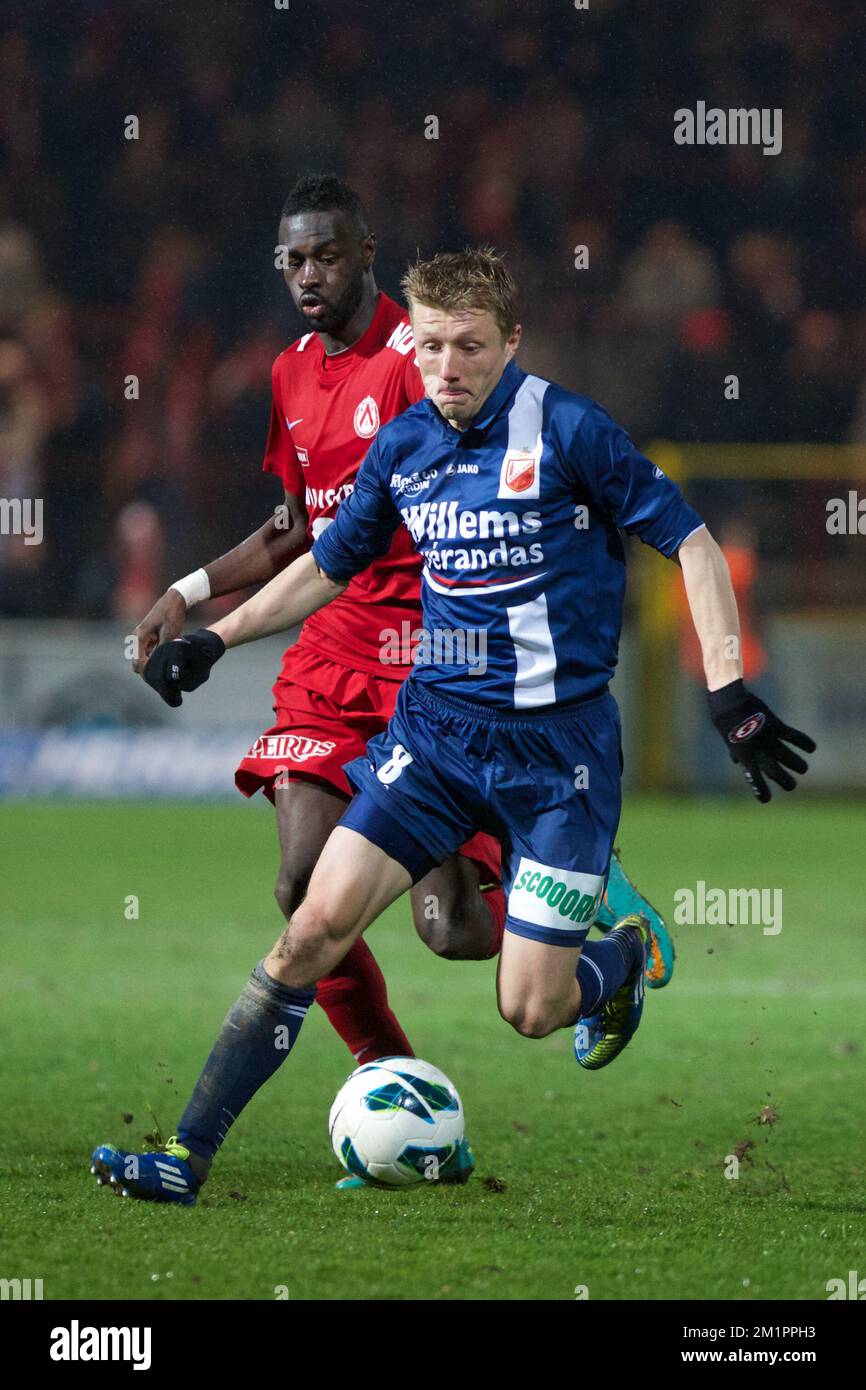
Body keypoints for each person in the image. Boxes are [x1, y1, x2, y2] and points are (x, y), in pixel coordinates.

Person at [91, 246, 814, 1204]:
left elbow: (691, 541)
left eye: (469, 347)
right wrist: (217, 637)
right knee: (311, 926)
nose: (445, 369)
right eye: (428, 347)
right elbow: (328, 565)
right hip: (432, 741)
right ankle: (183, 1158)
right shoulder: (405, 445)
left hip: (560, 764)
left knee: (529, 1006)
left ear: (510, 341)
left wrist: (729, 690)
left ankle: (621, 958)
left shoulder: (570, 431)